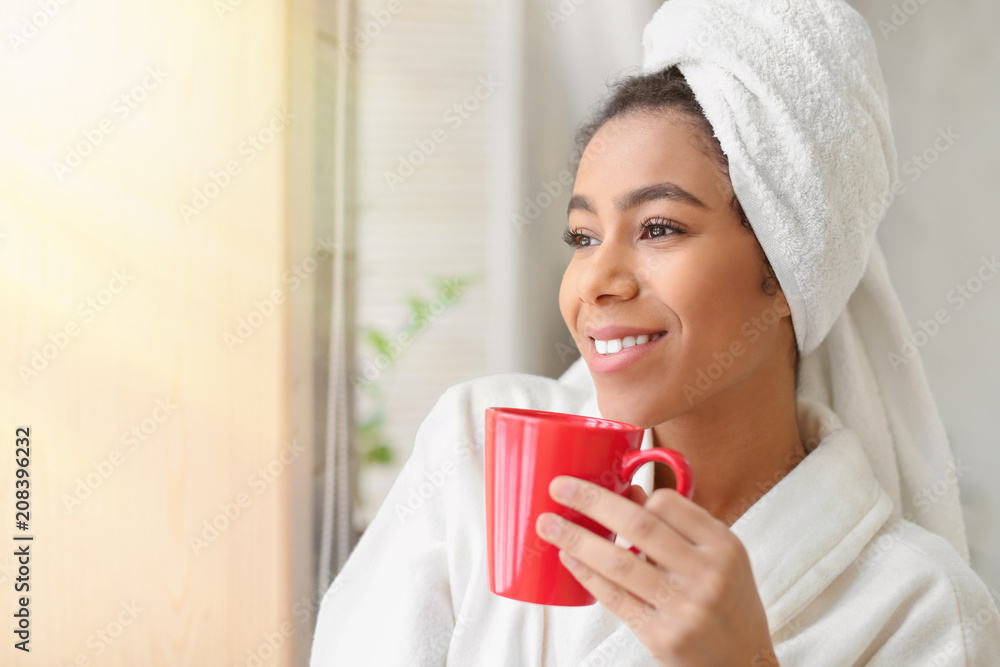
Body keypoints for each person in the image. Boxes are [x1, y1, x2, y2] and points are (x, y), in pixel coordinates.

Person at [310, 1, 1000, 664]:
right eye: (582, 236)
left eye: (659, 228)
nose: (596, 279)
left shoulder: (919, 607)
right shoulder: (475, 454)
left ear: (790, 267)